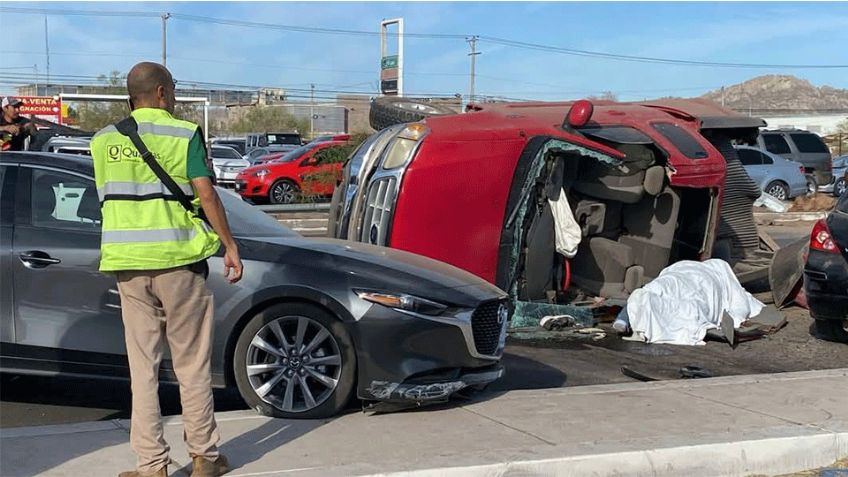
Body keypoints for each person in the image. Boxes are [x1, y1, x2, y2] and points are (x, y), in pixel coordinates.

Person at [90, 62, 242, 477]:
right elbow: (206, 194)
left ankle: (152, 465)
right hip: (179, 262)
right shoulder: (184, 133)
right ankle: (205, 458)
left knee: (143, 369)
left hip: (127, 265)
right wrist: (229, 245)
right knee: (191, 365)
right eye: (172, 89)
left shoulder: (102, 142)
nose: (174, 97)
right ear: (160, 92)